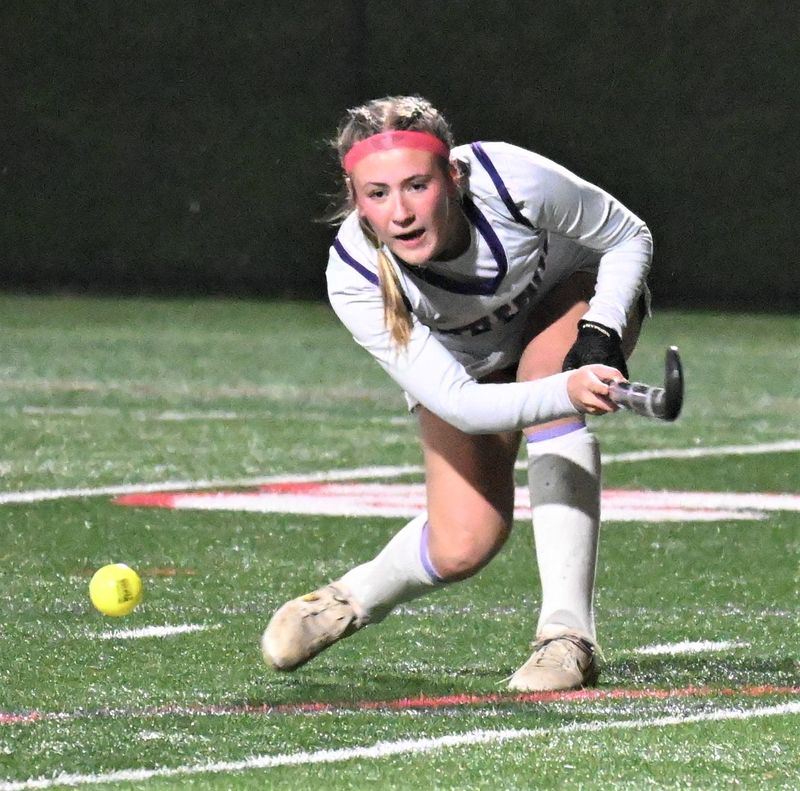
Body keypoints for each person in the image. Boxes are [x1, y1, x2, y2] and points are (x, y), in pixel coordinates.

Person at [261, 95, 651, 691]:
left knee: (545, 378)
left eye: (416, 186)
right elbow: (464, 406)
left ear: (454, 176)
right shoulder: (356, 276)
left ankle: (567, 636)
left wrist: (601, 331)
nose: (400, 213)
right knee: (464, 542)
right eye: (377, 194)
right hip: (469, 367)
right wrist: (570, 389)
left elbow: (627, 236)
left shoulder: (511, 179)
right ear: (355, 198)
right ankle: (348, 599)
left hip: (578, 295)